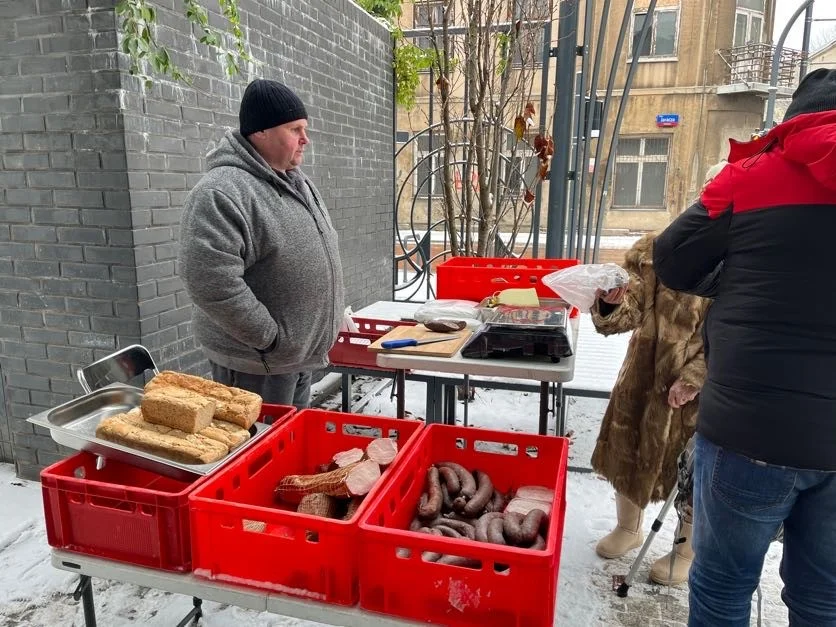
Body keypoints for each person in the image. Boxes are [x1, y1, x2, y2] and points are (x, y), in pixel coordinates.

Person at [653, 67, 836, 626]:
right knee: (824, 597)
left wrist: (734, 283)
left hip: (750, 428)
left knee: (723, 587)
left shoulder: (756, 173)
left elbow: (674, 257)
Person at [589, 161, 726, 586]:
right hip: (643, 375)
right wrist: (611, 301)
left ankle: (686, 550)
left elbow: (739, 330)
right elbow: (628, 313)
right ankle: (628, 529)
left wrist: (697, 375)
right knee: (628, 446)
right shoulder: (656, 248)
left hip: (705, 389)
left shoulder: (745, 258)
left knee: (690, 468)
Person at [178, 78, 344, 410]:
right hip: (256, 367)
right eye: (294, 129)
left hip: (295, 359)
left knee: (289, 449)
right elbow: (209, 282)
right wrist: (270, 339)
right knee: (260, 453)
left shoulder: (296, 182)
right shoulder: (222, 192)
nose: (305, 139)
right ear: (261, 133)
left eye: (305, 128)